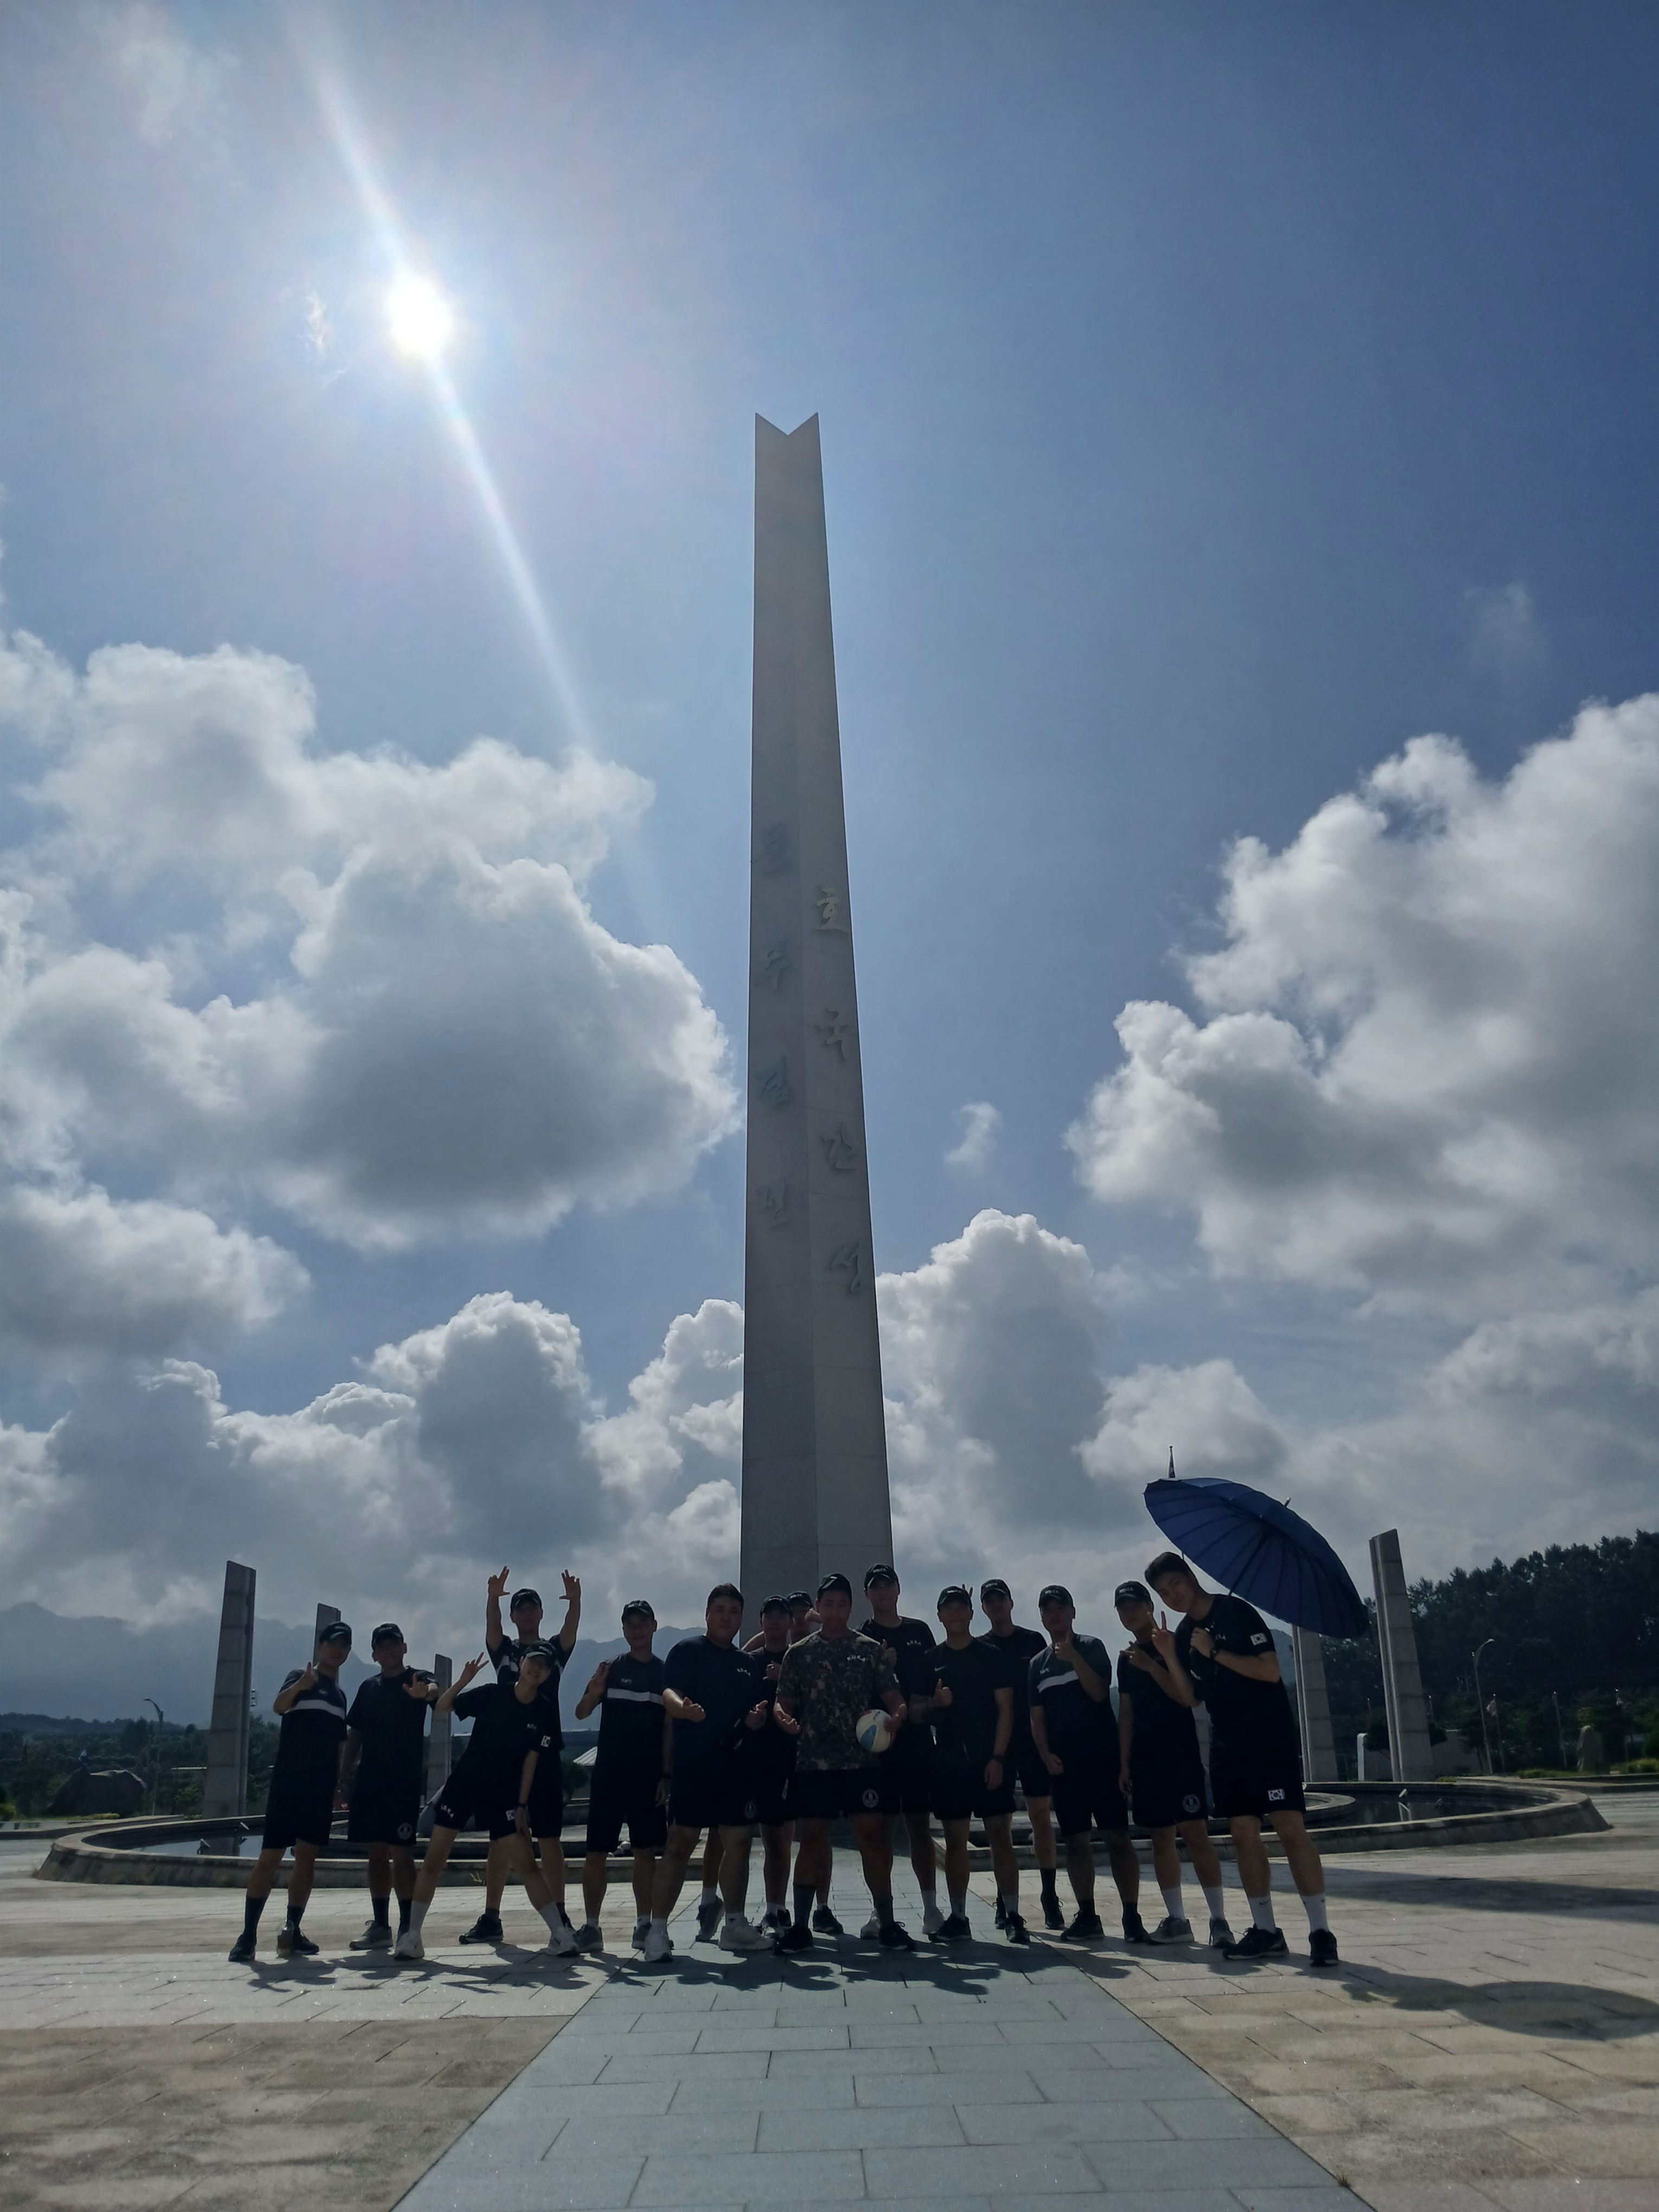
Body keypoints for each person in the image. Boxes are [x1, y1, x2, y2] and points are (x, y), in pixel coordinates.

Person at [1146, 1552, 1338, 1966]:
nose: (1172, 1595)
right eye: (1163, 1592)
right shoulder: (1184, 1634)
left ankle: (1321, 1932)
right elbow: (1191, 1698)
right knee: (1242, 1833)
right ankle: (1266, 1930)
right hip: (1227, 1744)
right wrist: (1170, 1654)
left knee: (1289, 1828)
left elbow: (1269, 1670)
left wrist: (1214, 1651)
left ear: (1190, 1576)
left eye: (1175, 1583)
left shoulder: (1236, 1612)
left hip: (1268, 1738)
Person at [394, 1644, 577, 1960]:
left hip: (502, 1795)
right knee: (434, 1859)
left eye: (545, 1666)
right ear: (521, 1663)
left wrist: (521, 1807)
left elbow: (532, 1760)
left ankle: (560, 1935)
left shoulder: (545, 1710)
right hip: (463, 1786)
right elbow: (443, 1707)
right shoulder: (493, 1693)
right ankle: (412, 1937)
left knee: (526, 1865)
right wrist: (464, 1680)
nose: (537, 1669)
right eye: (533, 1662)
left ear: (549, 1673)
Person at [771, 1572, 912, 1952]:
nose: (835, 1611)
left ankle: (887, 1923)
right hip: (814, 1762)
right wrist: (783, 1718)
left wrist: (898, 1715)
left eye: (842, 1604)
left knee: (872, 1841)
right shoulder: (799, 1653)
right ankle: (801, 1927)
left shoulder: (869, 1650)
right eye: (828, 1604)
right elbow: (783, 1701)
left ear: (851, 1607)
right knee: (812, 1841)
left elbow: (894, 1696)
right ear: (818, 1607)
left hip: (861, 1763)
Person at [641, 1584, 772, 1961]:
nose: (727, 1617)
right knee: (680, 1844)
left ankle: (734, 1925)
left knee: (740, 1843)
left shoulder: (747, 1664)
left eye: (734, 1611)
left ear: (741, 1618)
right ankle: (657, 1931)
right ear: (707, 1614)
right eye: (720, 1610)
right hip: (694, 1765)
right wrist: (682, 1709)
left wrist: (756, 1719)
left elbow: (753, 1713)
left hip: (736, 1767)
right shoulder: (687, 1651)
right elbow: (669, 1693)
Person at [458, 1567, 581, 1947]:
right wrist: (493, 1598)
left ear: (541, 1613)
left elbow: (570, 1631)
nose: (527, 1614)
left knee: (549, 1837)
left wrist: (576, 1602)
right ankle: (491, 1917)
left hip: (545, 1750)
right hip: (506, 1755)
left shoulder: (552, 1651)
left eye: (532, 1608)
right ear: (513, 1615)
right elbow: (492, 1628)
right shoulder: (505, 1651)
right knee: (500, 1838)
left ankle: (560, 1915)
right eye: (521, 1609)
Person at [1112, 1581, 1234, 1948]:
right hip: (1146, 1758)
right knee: (1160, 1837)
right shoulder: (1126, 1658)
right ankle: (1177, 1919)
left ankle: (1219, 1920)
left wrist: (1153, 1666)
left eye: (1135, 1605)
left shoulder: (1176, 1642)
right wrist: (1123, 1762)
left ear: (1150, 1606)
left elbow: (1188, 1698)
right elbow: (1127, 1712)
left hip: (1181, 1753)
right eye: (1122, 1608)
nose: (1129, 1612)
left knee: (1196, 1834)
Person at [1027, 1584, 1149, 1945]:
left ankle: (1132, 1916)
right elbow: (1037, 1717)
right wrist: (1045, 1754)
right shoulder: (1037, 1664)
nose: (1055, 1615)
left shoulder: (1092, 1647)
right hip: (1064, 1766)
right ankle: (1087, 1914)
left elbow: (1098, 1693)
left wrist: (1074, 1658)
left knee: (1118, 1838)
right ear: (1042, 1617)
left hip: (1101, 1758)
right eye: (1048, 1610)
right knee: (1076, 1842)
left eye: (1060, 1608)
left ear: (1073, 1612)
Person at [229, 1620, 353, 1962]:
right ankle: (248, 1935)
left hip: (320, 1788)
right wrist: (301, 1685)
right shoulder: (300, 1676)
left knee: (306, 1860)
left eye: (344, 1645)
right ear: (320, 1646)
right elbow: (279, 1707)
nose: (338, 1650)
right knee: (270, 1856)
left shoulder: (340, 1696)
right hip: (289, 1784)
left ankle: (293, 1930)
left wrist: (339, 1785)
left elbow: (337, 1746)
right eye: (333, 1643)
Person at [921, 1584, 1023, 1943]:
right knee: (955, 1840)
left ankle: (1013, 1915)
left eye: (961, 1607)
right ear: (940, 1616)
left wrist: (998, 1757)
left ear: (971, 1613)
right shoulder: (931, 1659)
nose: (955, 1613)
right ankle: (959, 1916)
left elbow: (1006, 1709)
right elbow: (919, 1712)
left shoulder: (992, 1655)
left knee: (1000, 1836)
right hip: (950, 1759)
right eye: (948, 1608)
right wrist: (935, 1703)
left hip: (989, 1756)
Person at [573, 1599, 668, 1951]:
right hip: (609, 1775)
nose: (638, 1630)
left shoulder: (665, 1673)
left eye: (643, 1623)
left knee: (645, 1852)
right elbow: (581, 1712)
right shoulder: (610, 1669)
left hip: (648, 1777)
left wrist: (666, 1775)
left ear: (654, 1625)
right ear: (624, 1630)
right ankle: (592, 1927)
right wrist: (595, 1693)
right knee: (596, 1851)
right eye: (631, 1624)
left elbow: (669, 1730)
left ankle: (644, 1925)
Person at [340, 1624, 442, 1952]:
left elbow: (435, 1690)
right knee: (376, 1852)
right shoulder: (368, 1687)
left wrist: (425, 1692)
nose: (389, 1651)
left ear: (404, 1647)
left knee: (402, 1853)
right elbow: (355, 1735)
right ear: (374, 1654)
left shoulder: (417, 1678)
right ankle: (381, 1925)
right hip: (370, 1781)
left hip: (403, 1782)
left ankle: (408, 1927)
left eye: (394, 1645)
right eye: (382, 1647)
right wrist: (342, 1779)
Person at [859, 1564, 942, 1937]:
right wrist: (878, 1667)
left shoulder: (919, 1631)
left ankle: (931, 1909)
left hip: (917, 1742)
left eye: (887, 1585)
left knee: (920, 1828)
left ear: (898, 1589)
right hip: (879, 1745)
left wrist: (930, 1707)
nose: (882, 1592)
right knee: (881, 1831)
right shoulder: (863, 1636)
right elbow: (855, 1690)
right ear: (867, 1594)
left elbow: (933, 1679)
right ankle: (882, 1911)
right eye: (875, 1587)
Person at [978, 1577, 1064, 1931]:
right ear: (983, 1608)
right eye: (990, 1601)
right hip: (998, 1744)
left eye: (1001, 1599)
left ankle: (1049, 1894)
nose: (997, 1605)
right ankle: (1005, 1898)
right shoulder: (981, 1647)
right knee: (999, 1826)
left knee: (1041, 1816)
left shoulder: (1033, 1641)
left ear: (1011, 1603)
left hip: (1032, 1741)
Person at [748, 1595, 802, 1931]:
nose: (775, 1621)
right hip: (759, 1759)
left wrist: (786, 1678)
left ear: (791, 1622)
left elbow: (817, 1701)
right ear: (761, 1622)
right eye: (769, 1616)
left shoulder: (801, 1659)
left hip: (793, 1758)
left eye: (782, 1616)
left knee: (785, 1841)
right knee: (769, 1842)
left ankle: (783, 1908)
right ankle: (772, 1909)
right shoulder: (749, 1662)